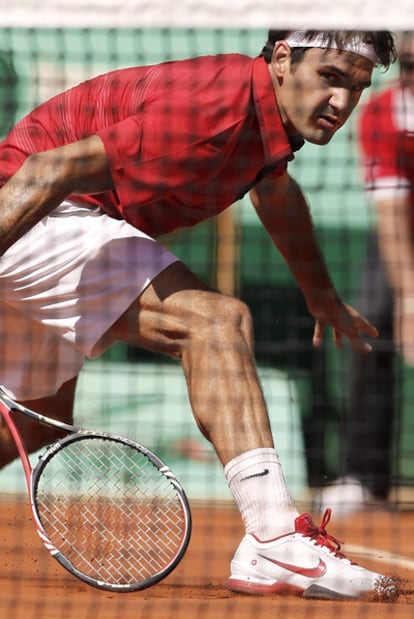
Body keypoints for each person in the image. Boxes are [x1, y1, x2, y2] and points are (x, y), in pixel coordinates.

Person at [0, 30, 399, 600]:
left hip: (50, 219)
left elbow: (275, 193)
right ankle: (273, 540)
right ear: (282, 59)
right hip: (32, 211)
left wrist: (321, 296)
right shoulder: (213, 109)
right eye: (330, 78)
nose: (341, 103)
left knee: (36, 419)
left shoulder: (268, 123)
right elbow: (45, 171)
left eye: (355, 88)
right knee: (215, 322)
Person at [315, 31, 414, 516]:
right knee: (371, 324)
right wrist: (410, 301)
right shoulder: (383, 113)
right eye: (409, 64)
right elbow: (392, 213)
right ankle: (365, 478)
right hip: (399, 236)